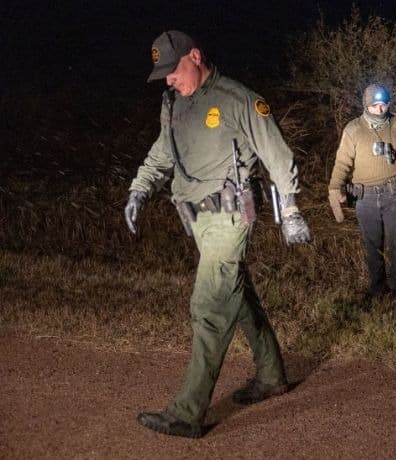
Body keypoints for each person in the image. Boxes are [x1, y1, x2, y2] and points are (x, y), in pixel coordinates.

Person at [123, 30, 311, 438]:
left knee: (209, 304)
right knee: (235, 293)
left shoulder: (238, 99)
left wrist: (291, 210)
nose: (170, 79)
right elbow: (163, 151)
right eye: (164, 75)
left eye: (174, 70)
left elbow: (276, 153)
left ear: (195, 56)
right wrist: (139, 189)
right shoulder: (174, 103)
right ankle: (271, 375)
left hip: (231, 215)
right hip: (197, 219)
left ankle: (187, 413)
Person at [328, 84, 396, 302]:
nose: (381, 109)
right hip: (365, 197)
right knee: (372, 245)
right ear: (366, 105)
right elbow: (342, 162)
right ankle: (377, 287)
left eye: (384, 104)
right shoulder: (353, 129)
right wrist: (335, 187)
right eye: (375, 105)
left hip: (395, 193)